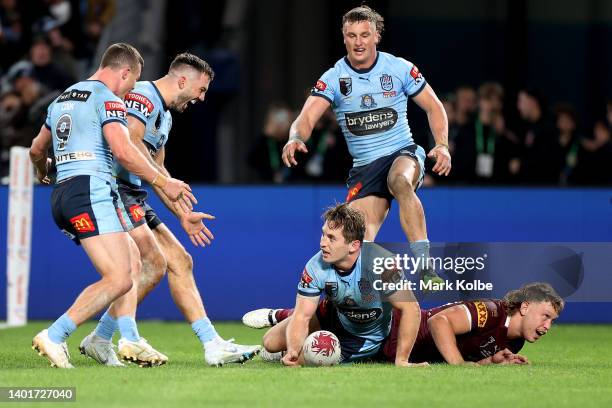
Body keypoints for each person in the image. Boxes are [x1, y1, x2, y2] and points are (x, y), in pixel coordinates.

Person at [79, 53, 260, 367]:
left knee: (179, 260)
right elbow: (130, 145)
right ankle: (105, 336)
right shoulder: (143, 99)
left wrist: (182, 215)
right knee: (151, 262)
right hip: (114, 189)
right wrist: (163, 180)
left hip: (133, 192)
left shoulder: (166, 116)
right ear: (182, 80)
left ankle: (104, 337)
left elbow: (159, 169)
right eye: (201, 90)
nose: (202, 98)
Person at [29, 43, 194, 368]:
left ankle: (114, 340)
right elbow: (124, 151)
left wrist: (43, 171)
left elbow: (36, 149)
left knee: (133, 262)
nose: (129, 92)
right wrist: (164, 181)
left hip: (62, 194)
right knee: (120, 277)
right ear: (124, 72)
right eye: (131, 84)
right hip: (93, 189)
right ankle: (56, 335)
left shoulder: (62, 99)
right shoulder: (107, 100)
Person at [281, 6, 450, 283]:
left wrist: (441, 144)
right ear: (344, 38)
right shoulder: (334, 77)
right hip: (365, 169)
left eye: (364, 35)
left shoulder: (399, 68)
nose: (358, 42)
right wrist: (296, 137)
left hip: (402, 152)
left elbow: (434, 107)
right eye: (352, 35)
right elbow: (306, 116)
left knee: (399, 181)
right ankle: (352, 304)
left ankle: (424, 264)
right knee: (354, 245)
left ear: (376, 36)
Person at [259, 203, 424, 367]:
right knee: (270, 342)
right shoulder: (315, 266)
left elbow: (411, 308)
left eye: (331, 238)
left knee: (303, 361)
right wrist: (293, 350)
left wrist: (402, 360)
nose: (323, 243)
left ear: (354, 245)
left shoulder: (382, 263)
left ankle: (303, 343)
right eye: (323, 235)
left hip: (364, 336)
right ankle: (288, 346)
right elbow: (302, 316)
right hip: (336, 314)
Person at [245, 282, 563, 366]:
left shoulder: (515, 341)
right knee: (276, 340)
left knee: (279, 347)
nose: (547, 325)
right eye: (545, 315)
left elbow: (474, 350)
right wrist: (457, 365)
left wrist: (495, 359)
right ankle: (283, 315)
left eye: (552, 320)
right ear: (524, 307)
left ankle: (285, 334)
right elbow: (439, 324)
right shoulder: (491, 312)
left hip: (387, 350)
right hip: (394, 326)